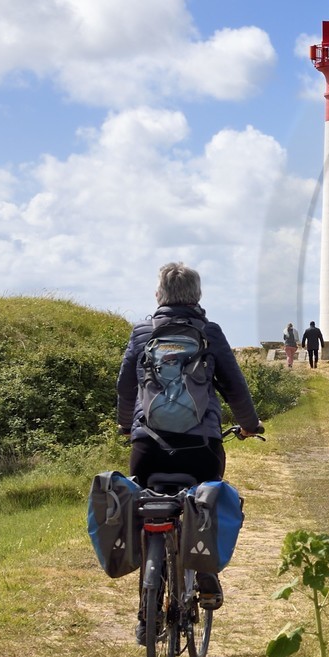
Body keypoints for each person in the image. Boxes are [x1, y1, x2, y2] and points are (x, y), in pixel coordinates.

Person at [117, 262, 263, 628]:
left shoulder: (142, 333)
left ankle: (146, 610)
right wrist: (248, 425)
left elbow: (125, 387)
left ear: (158, 295)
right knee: (207, 500)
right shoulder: (209, 333)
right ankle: (207, 575)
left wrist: (126, 425)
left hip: (147, 445)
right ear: (197, 297)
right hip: (201, 446)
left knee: (144, 507)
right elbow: (234, 385)